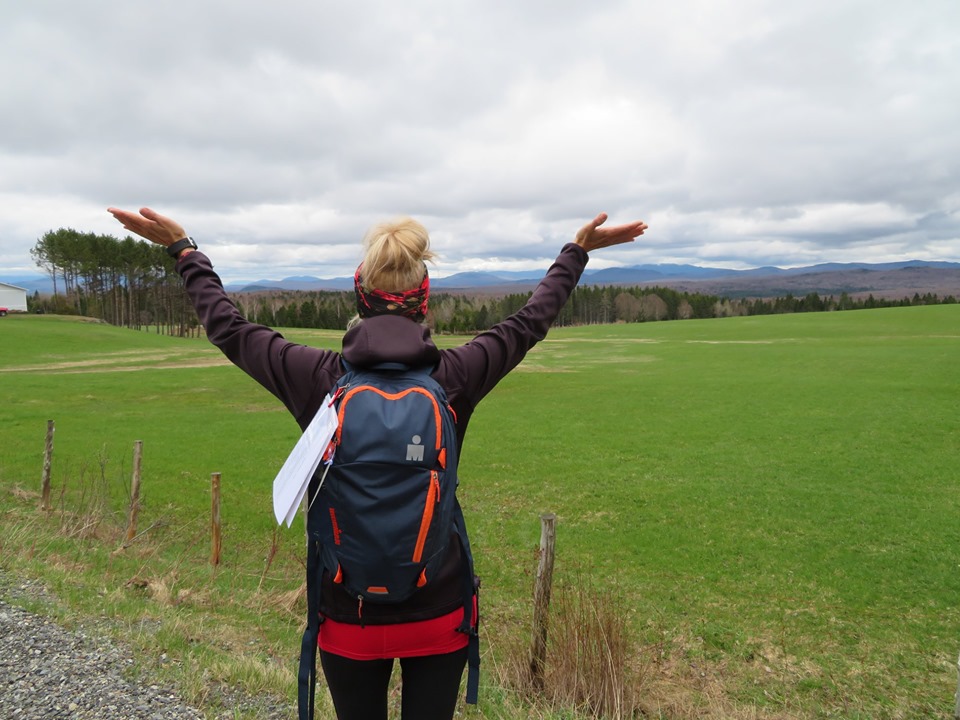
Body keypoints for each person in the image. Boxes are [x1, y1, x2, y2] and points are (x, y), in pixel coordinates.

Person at [107, 205, 648, 720]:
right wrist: (576, 251)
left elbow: (230, 329)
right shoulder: (454, 376)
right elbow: (530, 321)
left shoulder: (317, 379)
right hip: (439, 611)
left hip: (348, 616)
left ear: (359, 296)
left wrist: (183, 250)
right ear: (425, 299)